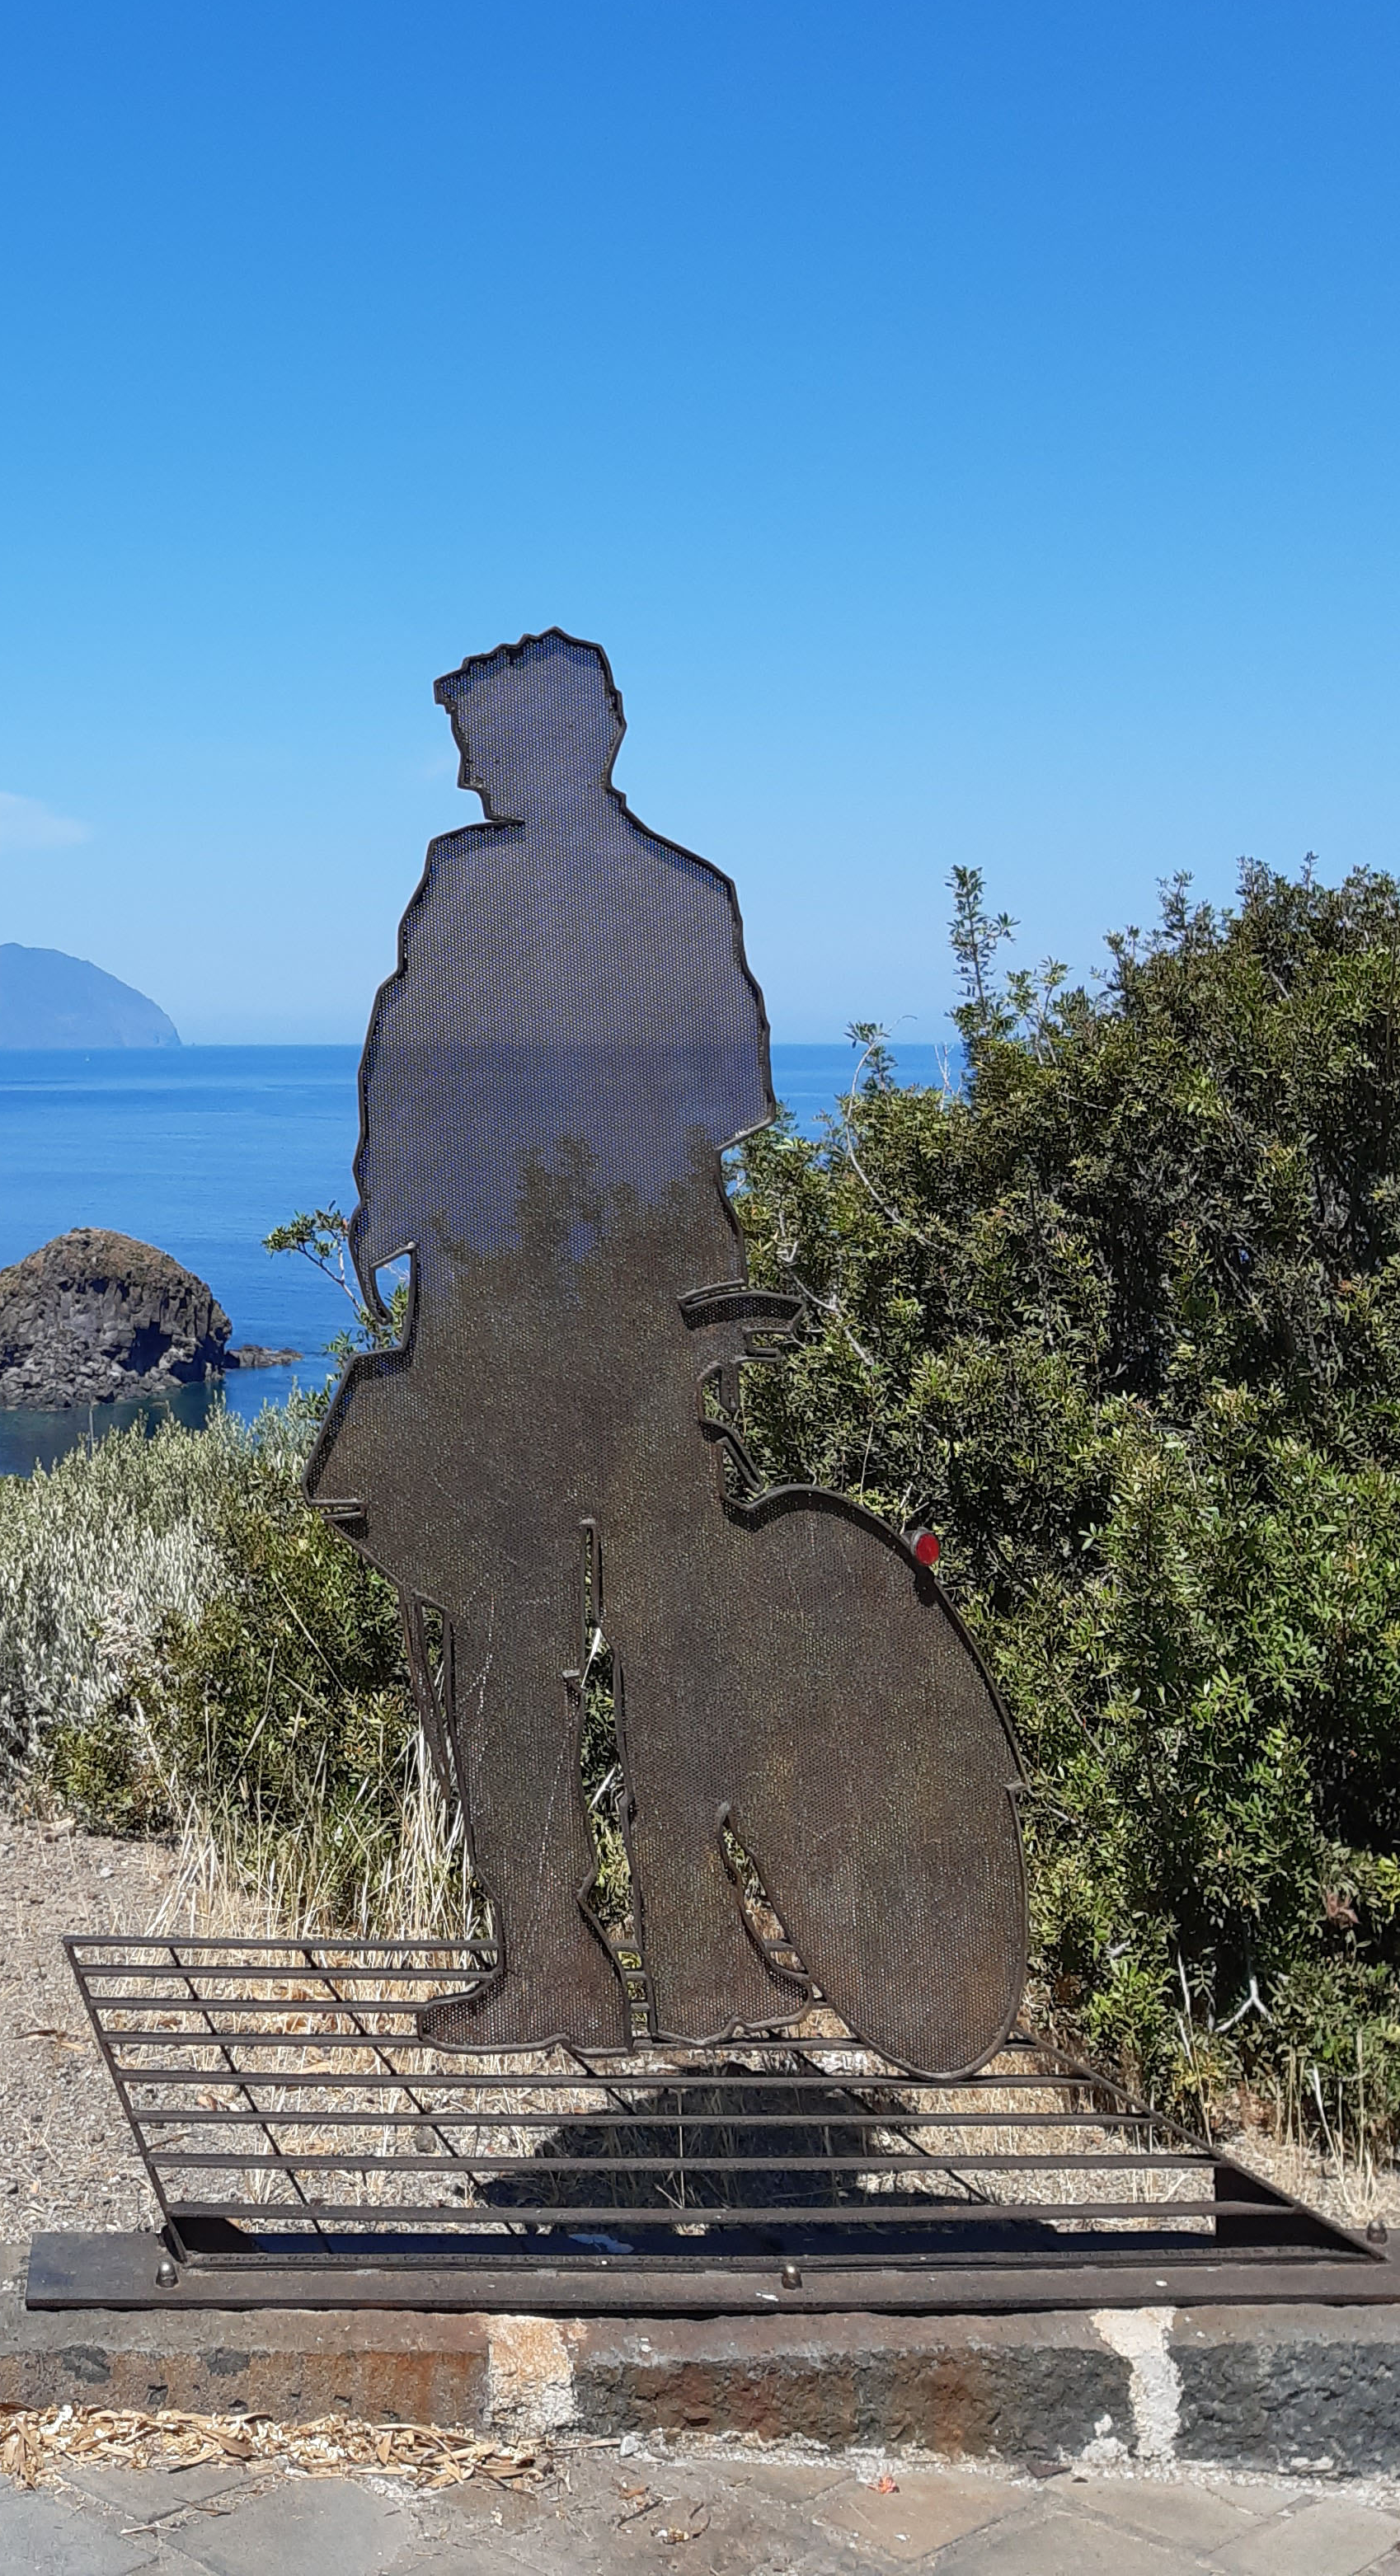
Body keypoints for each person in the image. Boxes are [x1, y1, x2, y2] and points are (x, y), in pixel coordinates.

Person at [310, 631, 1026, 2074]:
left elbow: (412, 1077)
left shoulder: (468, 888)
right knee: (670, 1636)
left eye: (481, 743)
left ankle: (567, 1968)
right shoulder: (690, 896)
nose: (465, 770)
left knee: (520, 1649)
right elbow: (730, 1097)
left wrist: (403, 1227)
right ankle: (692, 1960)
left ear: (576, 737)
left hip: (518, 1313)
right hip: (663, 1313)